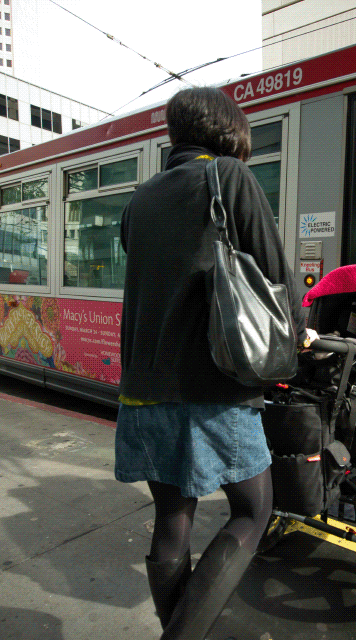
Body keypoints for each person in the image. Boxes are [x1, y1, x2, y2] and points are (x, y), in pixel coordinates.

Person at [114, 87, 314, 640]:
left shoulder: (139, 200)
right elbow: (274, 275)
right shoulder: (230, 177)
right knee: (254, 510)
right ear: (228, 130)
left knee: (172, 518)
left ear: (177, 132)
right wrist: (298, 335)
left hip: (140, 391)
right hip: (210, 390)